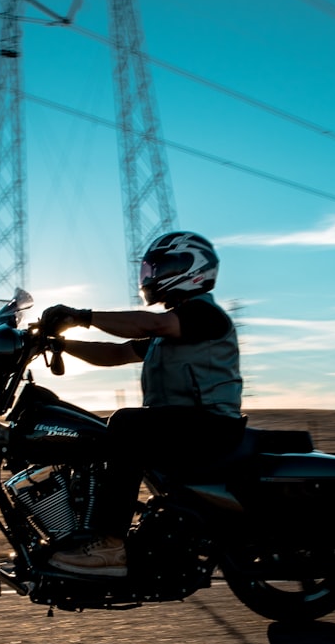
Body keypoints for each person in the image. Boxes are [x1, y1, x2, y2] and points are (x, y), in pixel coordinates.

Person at [39, 230, 244, 577]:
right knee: (94, 433)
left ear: (193, 268)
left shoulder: (202, 315)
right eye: (151, 269)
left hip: (211, 424)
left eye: (162, 267)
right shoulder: (173, 329)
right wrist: (61, 346)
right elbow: (117, 353)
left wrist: (81, 316)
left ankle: (109, 546)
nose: (152, 277)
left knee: (127, 424)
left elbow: (146, 324)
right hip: (183, 423)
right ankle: (89, 529)